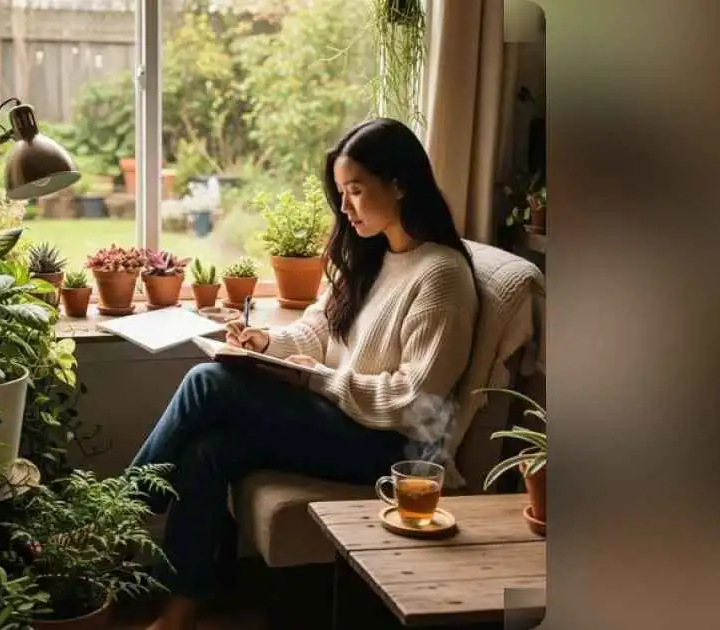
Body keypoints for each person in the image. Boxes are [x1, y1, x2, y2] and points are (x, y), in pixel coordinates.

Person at [133, 118, 479, 630]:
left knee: (207, 383)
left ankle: (119, 514)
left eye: (356, 191)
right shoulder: (369, 254)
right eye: (341, 193)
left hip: (388, 447)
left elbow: (415, 402)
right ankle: (182, 607)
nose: (345, 207)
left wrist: (316, 379)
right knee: (210, 450)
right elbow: (318, 330)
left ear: (400, 184)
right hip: (342, 420)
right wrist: (266, 344)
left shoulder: (441, 277)